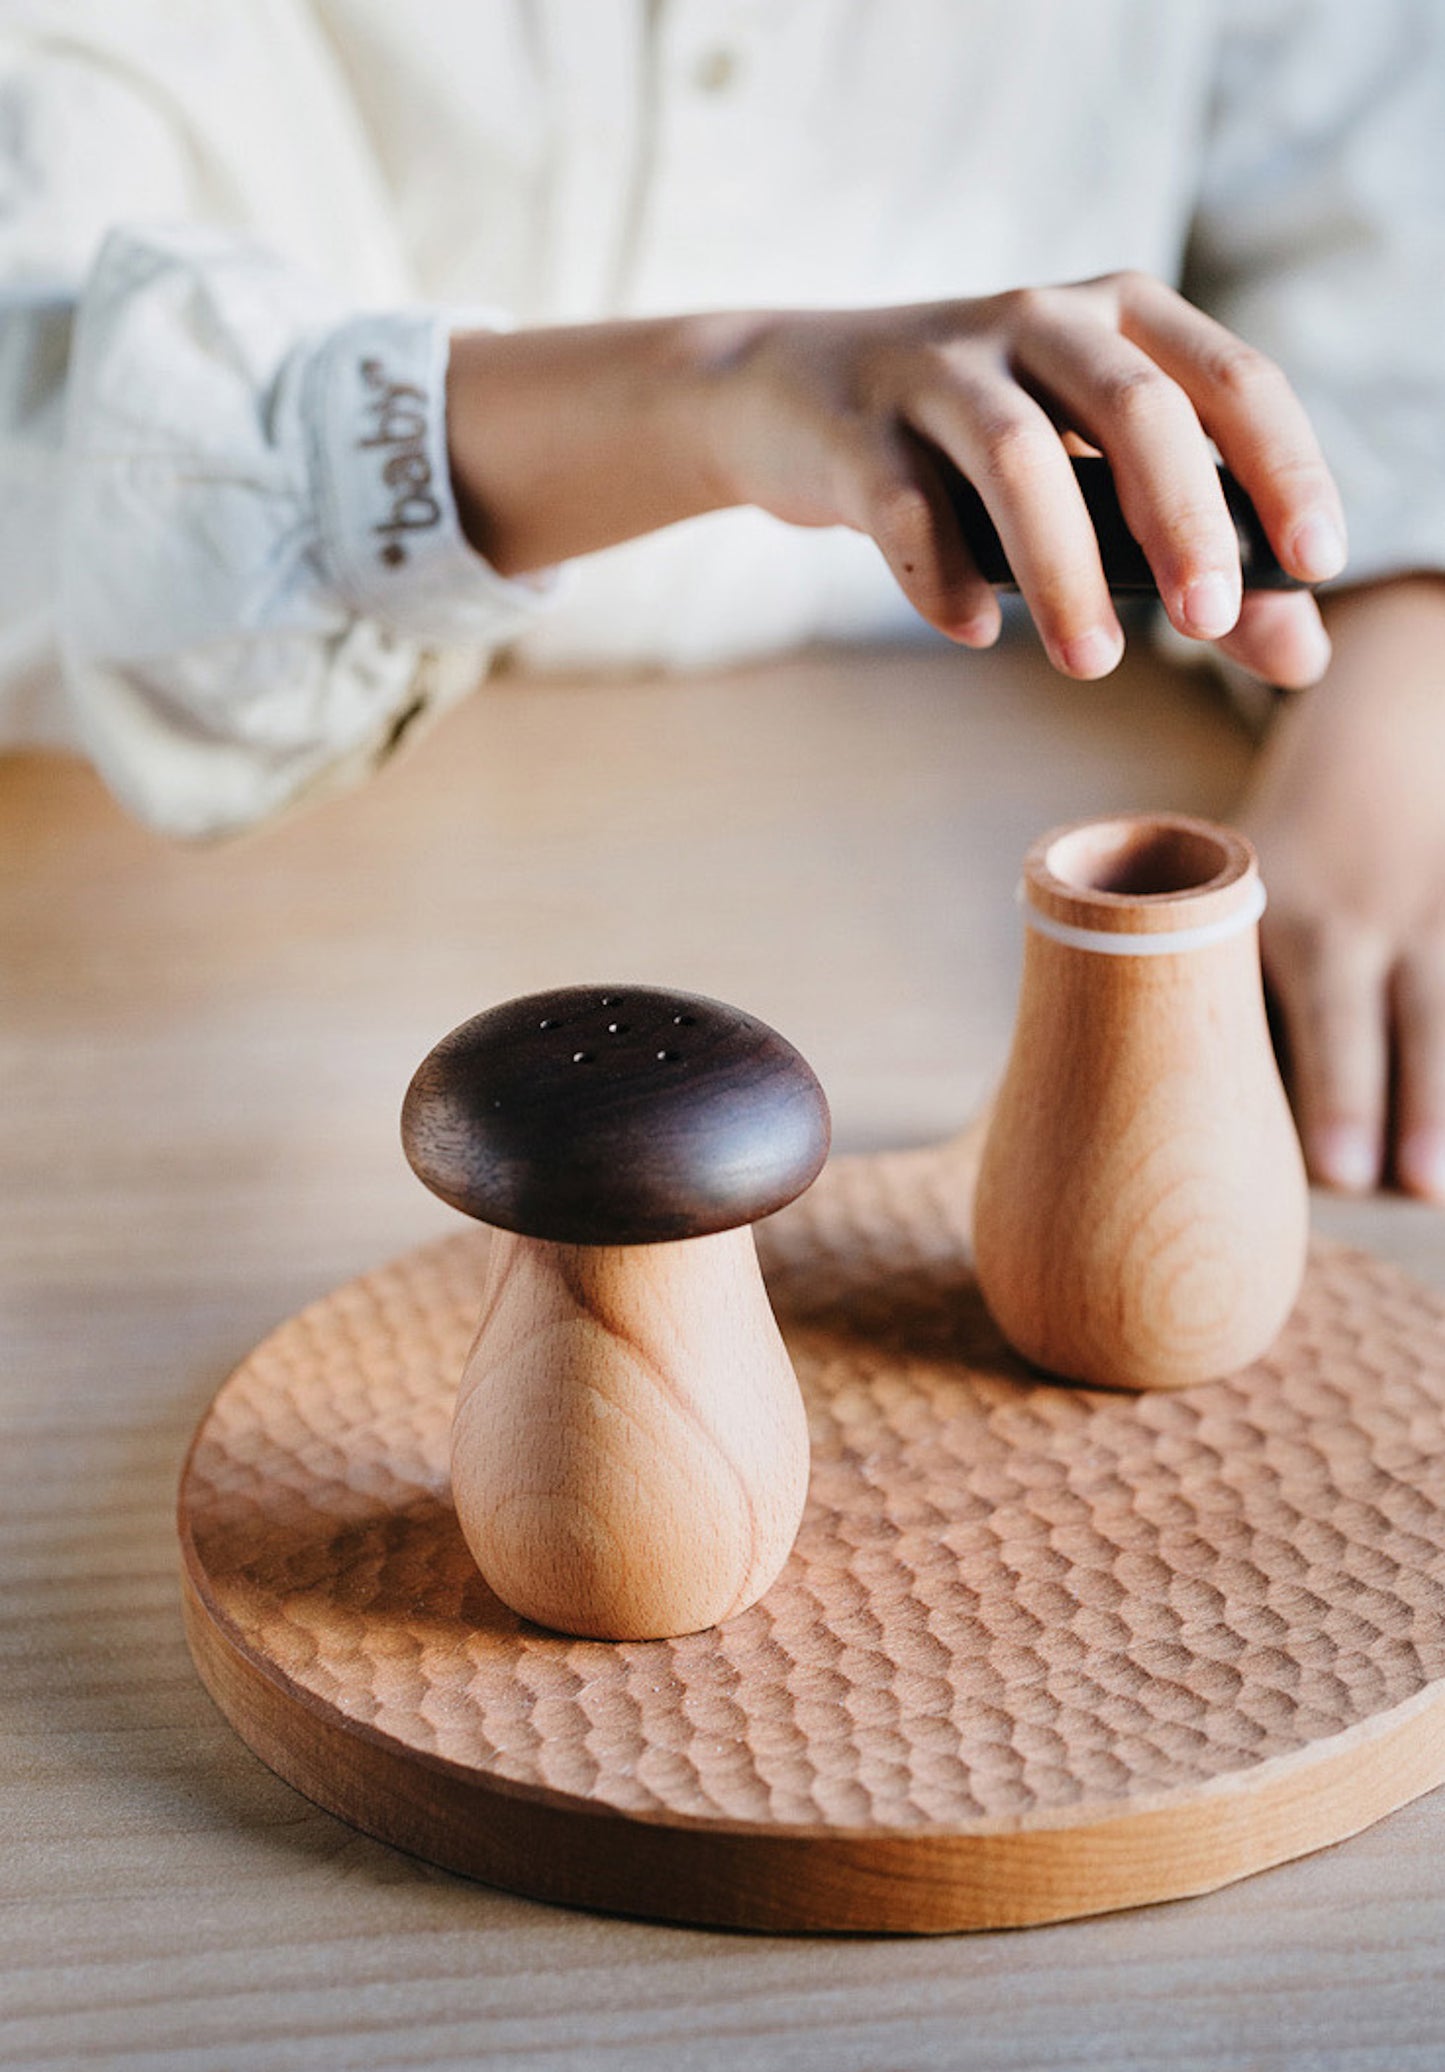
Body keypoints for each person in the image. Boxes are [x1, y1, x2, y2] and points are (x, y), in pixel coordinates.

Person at [2, 1, 1443, 1200]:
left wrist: (1401, 670)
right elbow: (58, 456)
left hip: (971, 802)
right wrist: (711, 388)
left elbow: (1379, 224)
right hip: (222, 899)